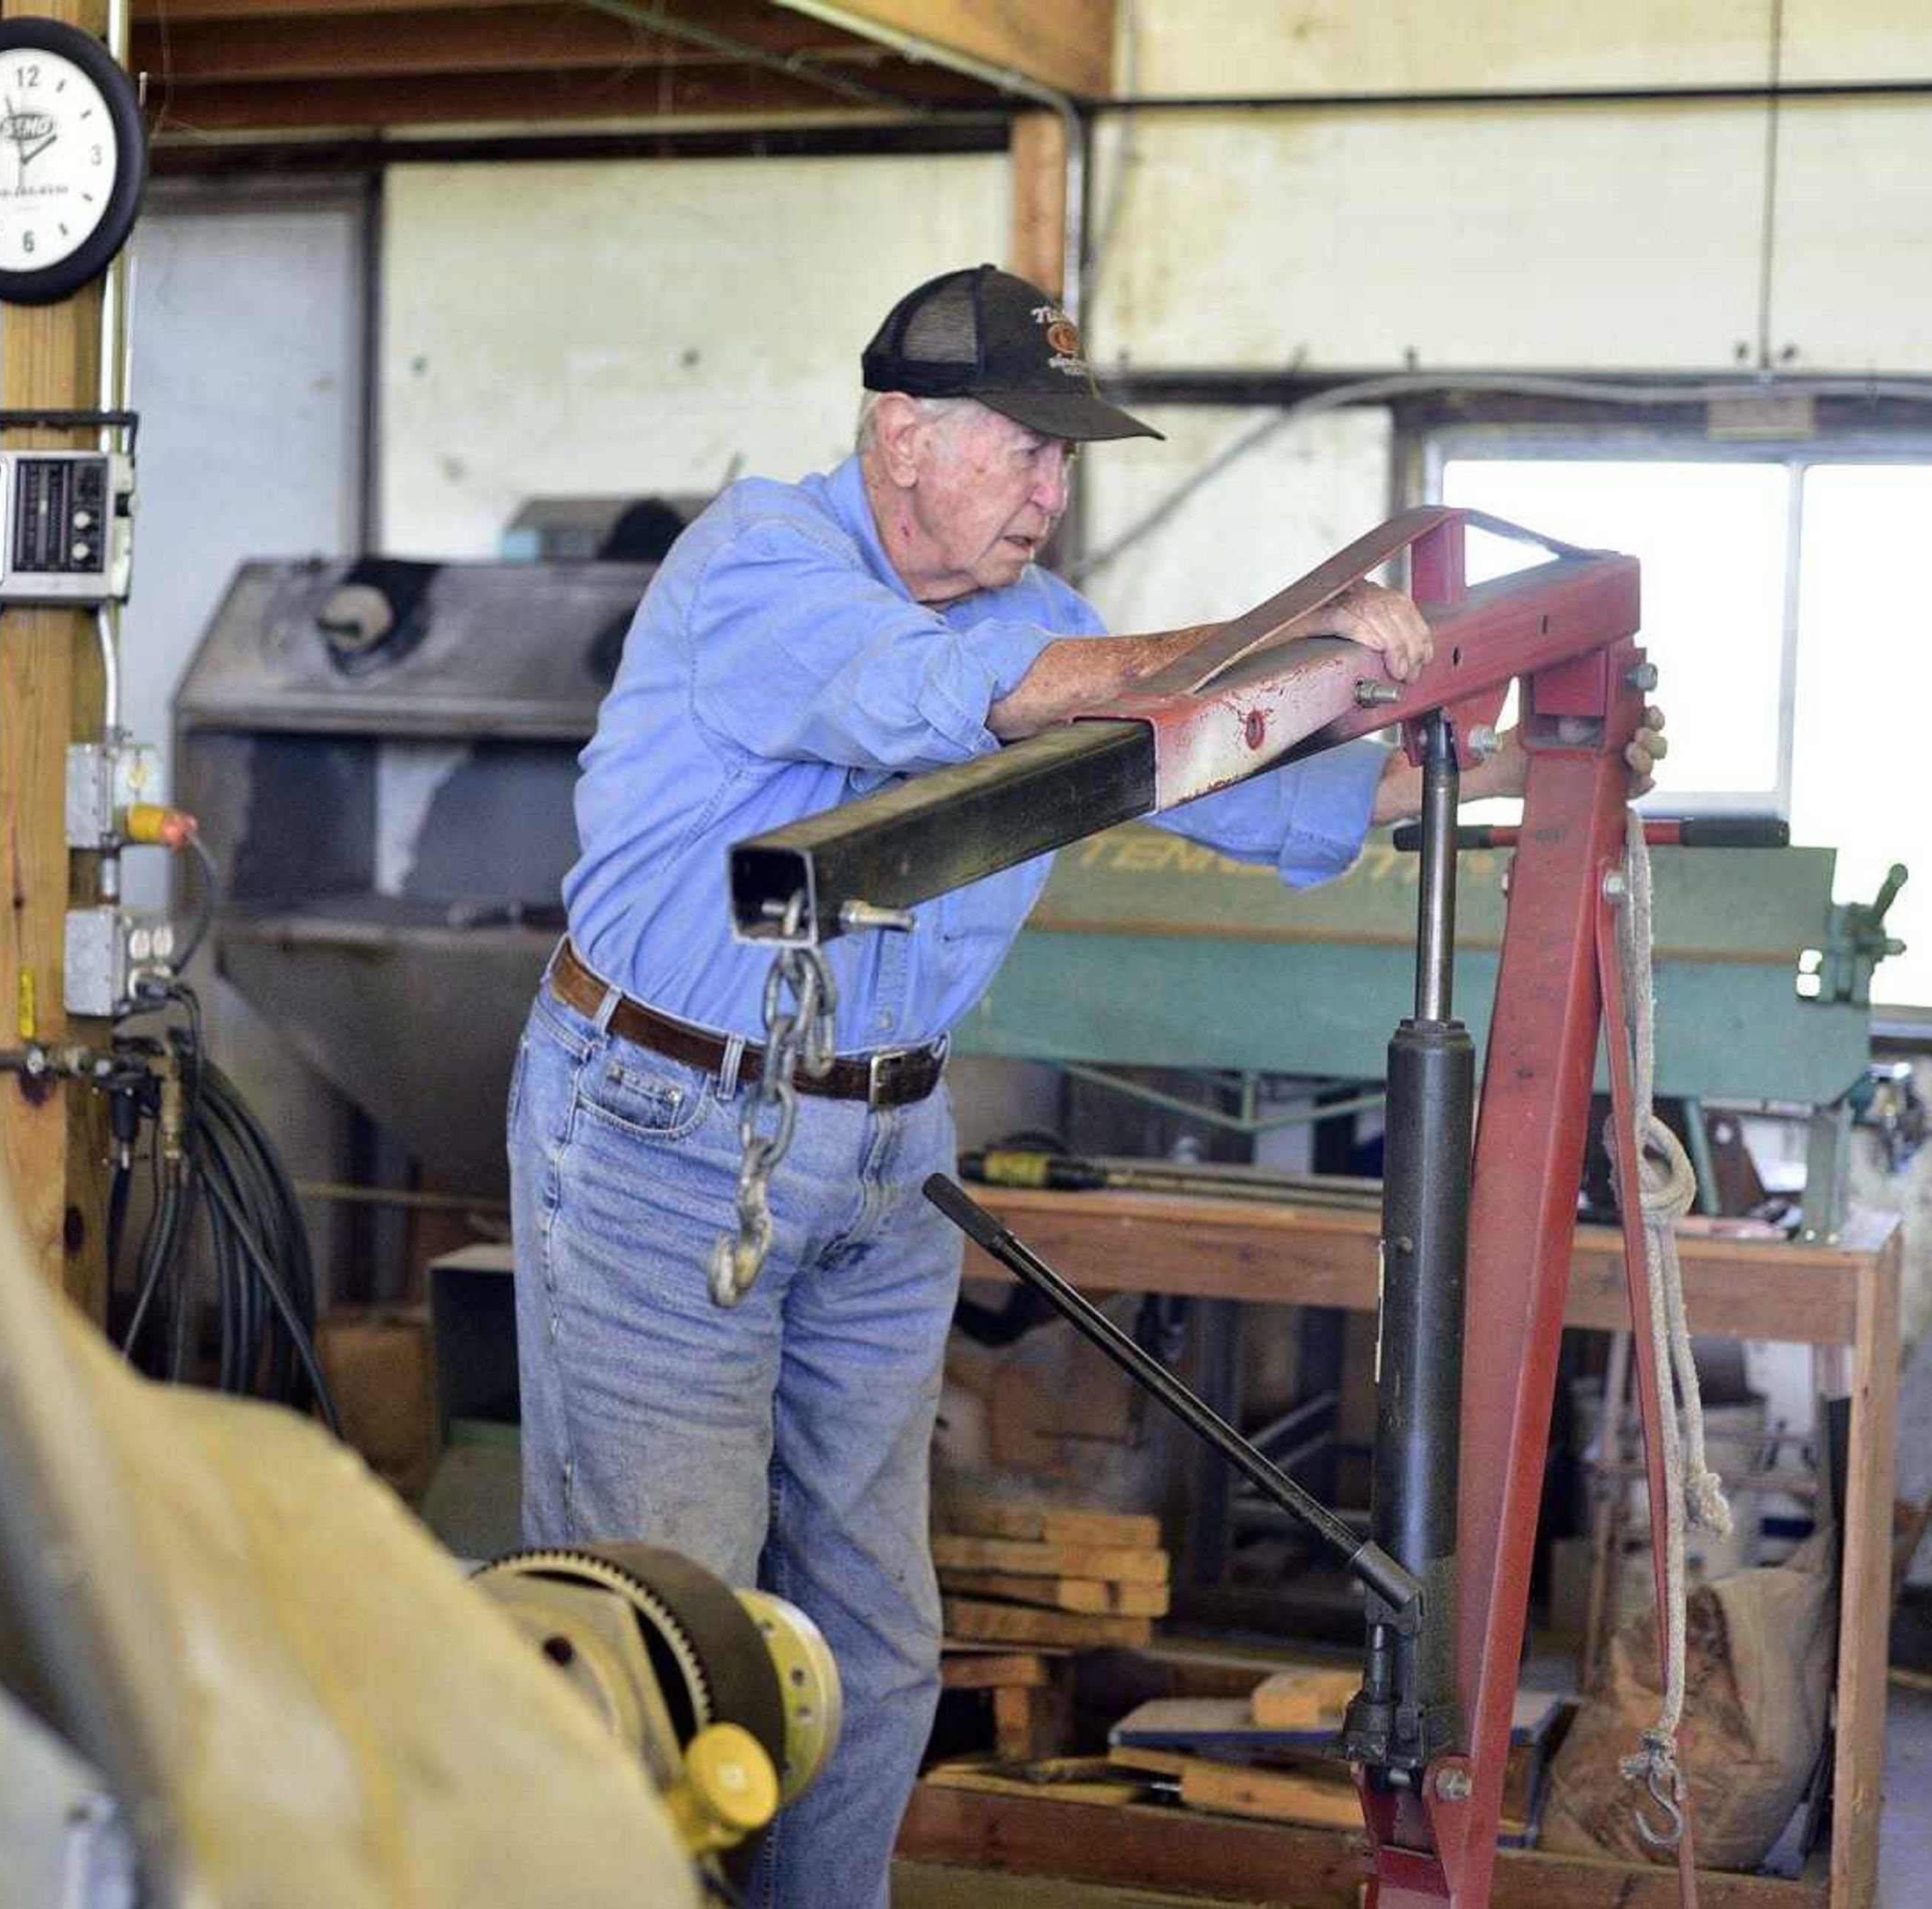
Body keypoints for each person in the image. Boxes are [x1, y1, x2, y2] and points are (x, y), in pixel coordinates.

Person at [505, 264, 1662, 1906]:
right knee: (670, 1636)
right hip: (666, 1137)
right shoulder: (761, 566)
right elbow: (945, 700)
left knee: (875, 1644)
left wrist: (1501, 748)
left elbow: (1257, 794)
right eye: (1021, 448)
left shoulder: (1040, 624)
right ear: (900, 434)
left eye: (1066, 459)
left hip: (885, 1144)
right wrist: (1298, 639)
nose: (1052, 488)